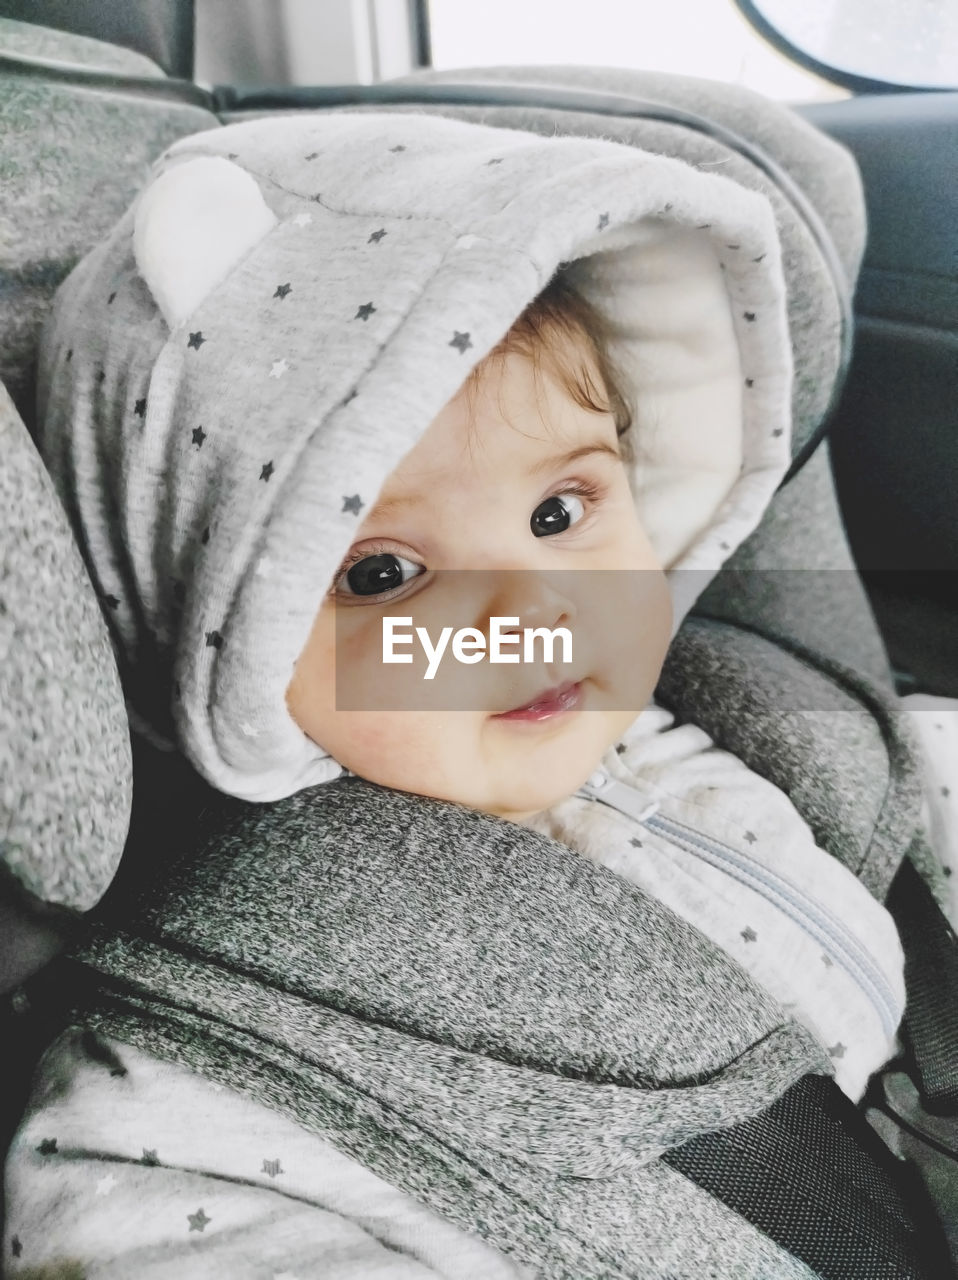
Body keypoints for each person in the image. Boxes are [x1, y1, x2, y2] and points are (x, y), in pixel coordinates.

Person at [4, 109, 906, 1277]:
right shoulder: (177, 1108)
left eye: (559, 510)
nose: (535, 612)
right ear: (202, 616)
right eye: (383, 573)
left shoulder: (673, 736)